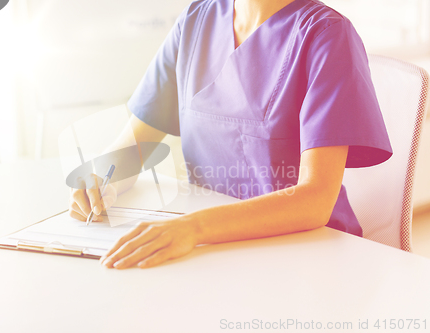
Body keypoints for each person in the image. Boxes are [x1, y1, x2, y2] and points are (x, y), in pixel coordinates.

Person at [69, 0, 392, 269]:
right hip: (212, 251)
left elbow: (316, 199)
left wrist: (193, 228)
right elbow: (135, 148)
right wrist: (101, 180)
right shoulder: (197, 20)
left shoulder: (326, 34)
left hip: (307, 254)